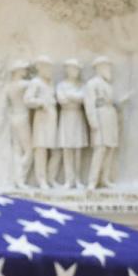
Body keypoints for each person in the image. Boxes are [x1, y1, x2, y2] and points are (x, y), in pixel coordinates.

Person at [84, 56, 129, 190]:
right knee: (100, 149)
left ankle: (104, 179)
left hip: (110, 117)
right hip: (100, 117)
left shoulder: (108, 85)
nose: (109, 70)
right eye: (106, 67)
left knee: (110, 148)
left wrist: (122, 101)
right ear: (99, 68)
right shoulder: (92, 84)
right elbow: (89, 103)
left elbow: (112, 102)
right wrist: (93, 122)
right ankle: (92, 181)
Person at [25, 56, 60, 190]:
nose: (50, 70)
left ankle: (51, 178)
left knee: (56, 151)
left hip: (52, 118)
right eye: (48, 67)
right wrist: (40, 103)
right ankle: (41, 180)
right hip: (41, 119)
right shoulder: (36, 82)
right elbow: (27, 99)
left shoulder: (50, 83)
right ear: (41, 68)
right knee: (41, 150)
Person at [55, 58, 89, 188]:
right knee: (67, 149)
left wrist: (71, 96)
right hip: (66, 116)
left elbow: (83, 98)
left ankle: (78, 179)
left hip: (77, 116)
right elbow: (61, 100)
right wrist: (75, 96)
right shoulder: (61, 85)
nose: (75, 71)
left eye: (76, 69)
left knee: (77, 149)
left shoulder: (82, 85)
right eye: (72, 69)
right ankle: (69, 180)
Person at [6, 60, 33, 188]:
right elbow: (36, 83)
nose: (25, 71)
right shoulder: (23, 84)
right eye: (23, 69)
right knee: (29, 150)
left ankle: (16, 178)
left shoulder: (9, 86)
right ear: (17, 71)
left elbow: (5, 106)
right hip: (22, 117)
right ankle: (20, 178)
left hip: (13, 117)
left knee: (17, 149)